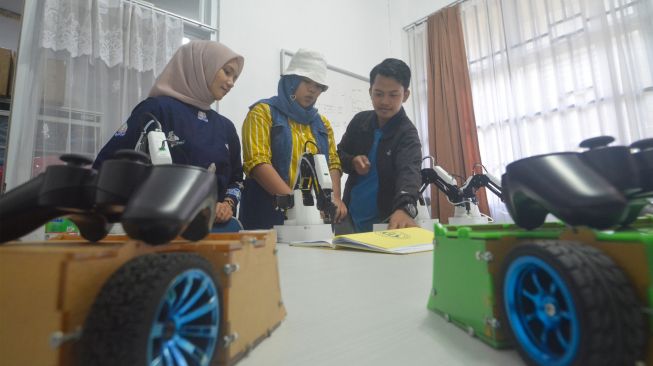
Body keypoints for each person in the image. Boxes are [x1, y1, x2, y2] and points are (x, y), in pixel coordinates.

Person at [93, 40, 245, 232]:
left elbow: (236, 179)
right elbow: (111, 167)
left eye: (235, 77)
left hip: (217, 232)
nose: (231, 83)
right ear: (201, 66)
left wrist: (228, 204)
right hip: (161, 232)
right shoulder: (156, 111)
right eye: (227, 71)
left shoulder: (226, 127)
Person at [239, 49, 347, 229]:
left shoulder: (322, 124)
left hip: (312, 216)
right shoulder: (263, 113)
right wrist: (294, 203)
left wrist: (335, 198)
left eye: (319, 85)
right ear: (291, 81)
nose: (312, 89)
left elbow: (333, 164)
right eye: (306, 81)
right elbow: (257, 163)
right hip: (267, 213)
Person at [336, 58, 422, 233]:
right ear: (370, 91)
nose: (384, 101)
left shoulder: (407, 134)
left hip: (385, 221)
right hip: (349, 217)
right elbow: (338, 156)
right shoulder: (360, 122)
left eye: (393, 94)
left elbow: (409, 173)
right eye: (378, 93)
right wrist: (352, 162)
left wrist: (404, 208)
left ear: (405, 95)